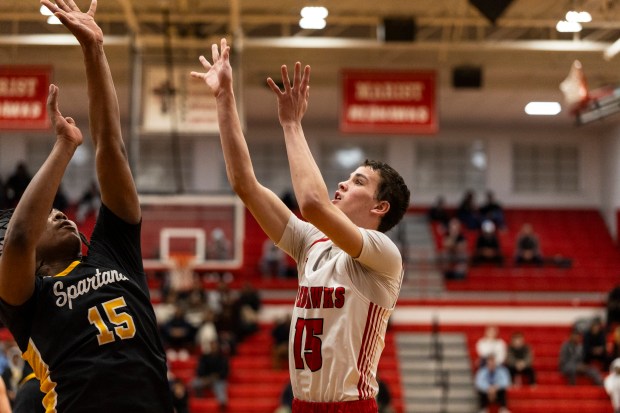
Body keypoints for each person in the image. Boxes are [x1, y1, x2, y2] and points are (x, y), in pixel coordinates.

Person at [191, 39, 410, 412]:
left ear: (380, 206)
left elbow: (311, 203)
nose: (342, 183)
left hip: (351, 407)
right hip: (302, 404)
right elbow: (244, 183)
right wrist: (225, 97)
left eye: (358, 182)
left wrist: (291, 123)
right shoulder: (312, 242)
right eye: (348, 177)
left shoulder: (383, 256)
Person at [0, 1, 174, 412]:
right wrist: (64, 147)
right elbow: (21, 236)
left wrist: (94, 50)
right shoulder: (25, 299)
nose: (60, 213)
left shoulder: (114, 252)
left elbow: (111, 149)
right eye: (48, 215)